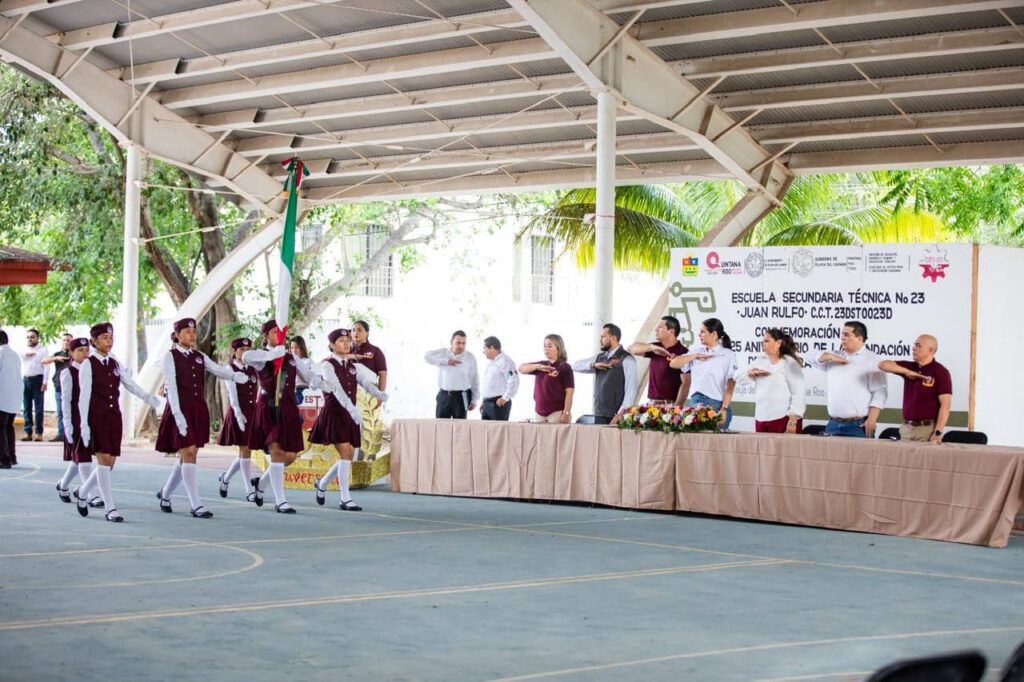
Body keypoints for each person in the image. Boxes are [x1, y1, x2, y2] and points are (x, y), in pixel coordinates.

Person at [155, 318, 249, 519]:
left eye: (194, 331)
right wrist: (178, 416)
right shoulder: (170, 357)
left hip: (198, 409)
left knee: (189, 454)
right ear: (177, 335)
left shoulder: (199, 356)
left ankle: (165, 494)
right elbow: (170, 386)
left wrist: (234, 376)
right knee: (188, 452)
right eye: (187, 331)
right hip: (180, 409)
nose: (192, 335)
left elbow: (217, 369)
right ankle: (195, 503)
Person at [72, 322, 163, 521]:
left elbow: (129, 384)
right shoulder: (88, 364)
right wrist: (84, 425)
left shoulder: (113, 362)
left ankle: (82, 492)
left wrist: (148, 397)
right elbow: (83, 397)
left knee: (110, 463)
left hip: (114, 417)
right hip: (97, 417)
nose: (109, 341)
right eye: (104, 338)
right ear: (94, 341)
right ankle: (110, 508)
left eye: (111, 337)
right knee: (104, 460)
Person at [244, 319, 322, 514]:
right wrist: (272, 355)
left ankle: (261, 485)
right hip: (270, 407)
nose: (279, 336)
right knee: (277, 452)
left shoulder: (291, 358)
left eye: (281, 333)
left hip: (288, 408)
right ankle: (281, 500)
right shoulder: (262, 357)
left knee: (290, 456)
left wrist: (321, 384)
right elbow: (246, 356)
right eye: (273, 332)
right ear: (265, 336)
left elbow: (308, 375)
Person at [310, 328, 388, 511]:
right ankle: (345, 498)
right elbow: (336, 389)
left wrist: (380, 394)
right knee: (345, 454)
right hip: (335, 413)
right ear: (332, 345)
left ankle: (322, 483)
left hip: (349, 414)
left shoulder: (352, 365)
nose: (346, 343)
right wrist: (352, 409)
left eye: (347, 340)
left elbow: (365, 382)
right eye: (341, 340)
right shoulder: (327, 365)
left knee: (348, 455)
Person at [811, 321, 888, 438]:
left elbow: (879, 392)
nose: (842, 338)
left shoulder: (872, 360)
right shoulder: (835, 356)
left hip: (858, 426)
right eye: (842, 335)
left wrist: (871, 421)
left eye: (846, 335)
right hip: (833, 424)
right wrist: (829, 356)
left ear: (859, 338)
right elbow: (809, 357)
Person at [878, 334, 952, 443]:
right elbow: (883, 365)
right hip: (906, 429)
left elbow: (945, 406)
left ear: (930, 350)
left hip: (926, 430)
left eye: (918, 345)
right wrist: (908, 372)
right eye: (914, 345)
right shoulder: (910, 367)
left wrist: (937, 433)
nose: (913, 348)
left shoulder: (941, 372)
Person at [670, 318, 737, 429]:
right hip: (696, 402)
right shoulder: (696, 351)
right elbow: (673, 363)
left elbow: (731, 384)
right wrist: (694, 356)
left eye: (703, 331)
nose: (699, 334)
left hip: (717, 404)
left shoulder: (728, 354)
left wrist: (724, 409)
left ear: (714, 334)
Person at [734, 328, 805, 434]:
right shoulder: (760, 360)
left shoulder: (789, 363)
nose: (763, 344)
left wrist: (793, 420)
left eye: (767, 341)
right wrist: (750, 373)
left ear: (778, 343)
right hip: (761, 419)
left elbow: (799, 392)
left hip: (784, 419)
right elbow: (738, 377)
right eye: (762, 341)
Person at [216, 338, 260, 500]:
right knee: (245, 450)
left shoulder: (253, 368)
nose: (245, 352)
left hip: (252, 412)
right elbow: (232, 395)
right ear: (234, 352)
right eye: (241, 349)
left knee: (245, 451)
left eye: (247, 349)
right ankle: (249, 490)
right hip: (238, 412)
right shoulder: (230, 369)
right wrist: (238, 414)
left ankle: (226, 478)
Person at [572, 323, 637, 424]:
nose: (600, 340)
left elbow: (631, 391)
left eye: (603, 337)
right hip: (599, 413)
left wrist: (620, 415)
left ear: (613, 338)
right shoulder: (599, 357)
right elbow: (575, 366)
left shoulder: (628, 359)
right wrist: (593, 365)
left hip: (616, 417)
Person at [627, 316, 689, 404]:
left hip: (670, 405)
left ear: (671, 331)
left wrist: (676, 408)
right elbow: (631, 349)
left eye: (660, 327)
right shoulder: (655, 347)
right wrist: (652, 347)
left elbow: (686, 383)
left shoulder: (683, 352)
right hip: (651, 404)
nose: (656, 330)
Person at [518, 334, 574, 423]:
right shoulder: (541, 365)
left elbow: (569, 392)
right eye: (544, 346)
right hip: (539, 413)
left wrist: (566, 413)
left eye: (549, 346)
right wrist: (538, 366)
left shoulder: (565, 367)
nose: (546, 349)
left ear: (558, 348)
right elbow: (521, 368)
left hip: (557, 413)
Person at [425, 330, 480, 419]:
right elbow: (426, 356)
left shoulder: (470, 357)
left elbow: (475, 380)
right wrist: (446, 361)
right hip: (443, 395)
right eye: (458, 343)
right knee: (441, 426)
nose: (461, 346)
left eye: (464, 343)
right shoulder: (443, 353)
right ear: (451, 342)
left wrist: (474, 400)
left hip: (461, 397)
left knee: (460, 428)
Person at [20, 328, 49, 441]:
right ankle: (28, 432)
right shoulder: (23, 349)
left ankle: (39, 433)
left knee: (38, 408)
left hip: (38, 379)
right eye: (28, 337)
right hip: (26, 379)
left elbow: (46, 366)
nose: (30, 339)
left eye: (32, 337)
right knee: (26, 408)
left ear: (37, 338)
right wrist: (26, 353)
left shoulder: (43, 350)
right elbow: (21, 356)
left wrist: (45, 382)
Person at [42, 333, 72, 442]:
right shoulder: (58, 354)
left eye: (68, 340)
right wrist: (55, 358)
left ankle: (71, 433)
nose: (66, 342)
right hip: (59, 386)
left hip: (73, 387)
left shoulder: (76, 354)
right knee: (60, 411)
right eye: (64, 340)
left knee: (72, 411)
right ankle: (61, 433)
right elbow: (44, 361)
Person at [480, 336, 518, 421]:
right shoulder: (492, 363)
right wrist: (484, 402)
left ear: (492, 348)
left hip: (498, 403)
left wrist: (505, 398)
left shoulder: (505, 361)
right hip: (487, 404)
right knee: (484, 432)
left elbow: (514, 381)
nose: (483, 351)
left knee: (497, 433)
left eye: (484, 348)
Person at [0, 330, 20, 469]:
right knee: (8, 427)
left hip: (2, 396)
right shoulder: (14, 354)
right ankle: (12, 457)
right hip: (13, 396)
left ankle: (4, 459)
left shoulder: (1, 354)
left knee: (1, 429)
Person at [352, 320, 387, 392]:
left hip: (368, 393)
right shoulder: (345, 350)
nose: (355, 332)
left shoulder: (375, 351)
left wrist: (380, 395)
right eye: (353, 330)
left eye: (359, 330)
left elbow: (383, 374)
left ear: (367, 333)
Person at [290, 336, 310, 407]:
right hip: (291, 392)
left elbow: (307, 379)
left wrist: (296, 368)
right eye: (292, 348)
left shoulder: (307, 361)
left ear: (302, 348)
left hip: (302, 390)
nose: (294, 350)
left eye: (296, 347)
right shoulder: (290, 362)